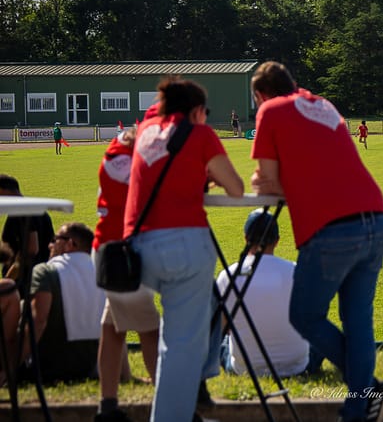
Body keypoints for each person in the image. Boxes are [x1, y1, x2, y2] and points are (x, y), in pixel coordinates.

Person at [250, 61, 383, 422]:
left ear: (260, 95)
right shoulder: (324, 105)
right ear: (293, 83)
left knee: (305, 315)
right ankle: (358, 408)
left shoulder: (270, 110)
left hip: (331, 227)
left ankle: (367, 388)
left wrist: (265, 180)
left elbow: (268, 183)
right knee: (358, 321)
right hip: (375, 217)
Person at [125, 76, 244, 422]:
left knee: (170, 340)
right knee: (181, 345)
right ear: (196, 111)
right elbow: (235, 188)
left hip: (137, 247)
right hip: (183, 245)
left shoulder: (145, 130)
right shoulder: (200, 133)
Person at [93, 126, 160, 422]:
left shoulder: (115, 148)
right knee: (150, 330)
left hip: (106, 248)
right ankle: (167, 404)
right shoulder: (143, 161)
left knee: (112, 328)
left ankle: (107, 405)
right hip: (126, 253)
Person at [216, 209, 319, 378]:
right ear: (277, 241)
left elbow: (222, 327)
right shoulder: (297, 272)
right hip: (297, 365)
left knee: (221, 341)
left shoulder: (228, 275)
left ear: (246, 238)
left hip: (246, 367)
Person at [2, 222, 105, 384]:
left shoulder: (46, 272)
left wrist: (9, 369)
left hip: (45, 367)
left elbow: (38, 321)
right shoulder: (102, 274)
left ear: (70, 244)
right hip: (88, 367)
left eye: (55, 240)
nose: (50, 245)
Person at [0, 174, 55, 283]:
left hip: (24, 281)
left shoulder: (22, 212)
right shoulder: (37, 210)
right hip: (40, 276)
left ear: (2, 190)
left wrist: (8, 279)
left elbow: (31, 250)